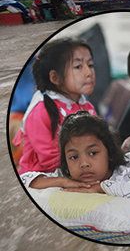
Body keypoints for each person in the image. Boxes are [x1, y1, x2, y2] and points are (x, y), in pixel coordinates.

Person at [20, 111, 130, 206]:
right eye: (73, 157)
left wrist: (100, 188)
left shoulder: (124, 171)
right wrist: (62, 181)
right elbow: (24, 181)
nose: (83, 164)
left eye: (93, 153)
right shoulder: (69, 177)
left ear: (109, 151)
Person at [14, 38, 98, 174]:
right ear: (55, 78)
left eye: (91, 65)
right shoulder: (41, 110)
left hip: (79, 169)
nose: (89, 73)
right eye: (78, 67)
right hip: (43, 178)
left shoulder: (86, 106)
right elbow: (48, 160)